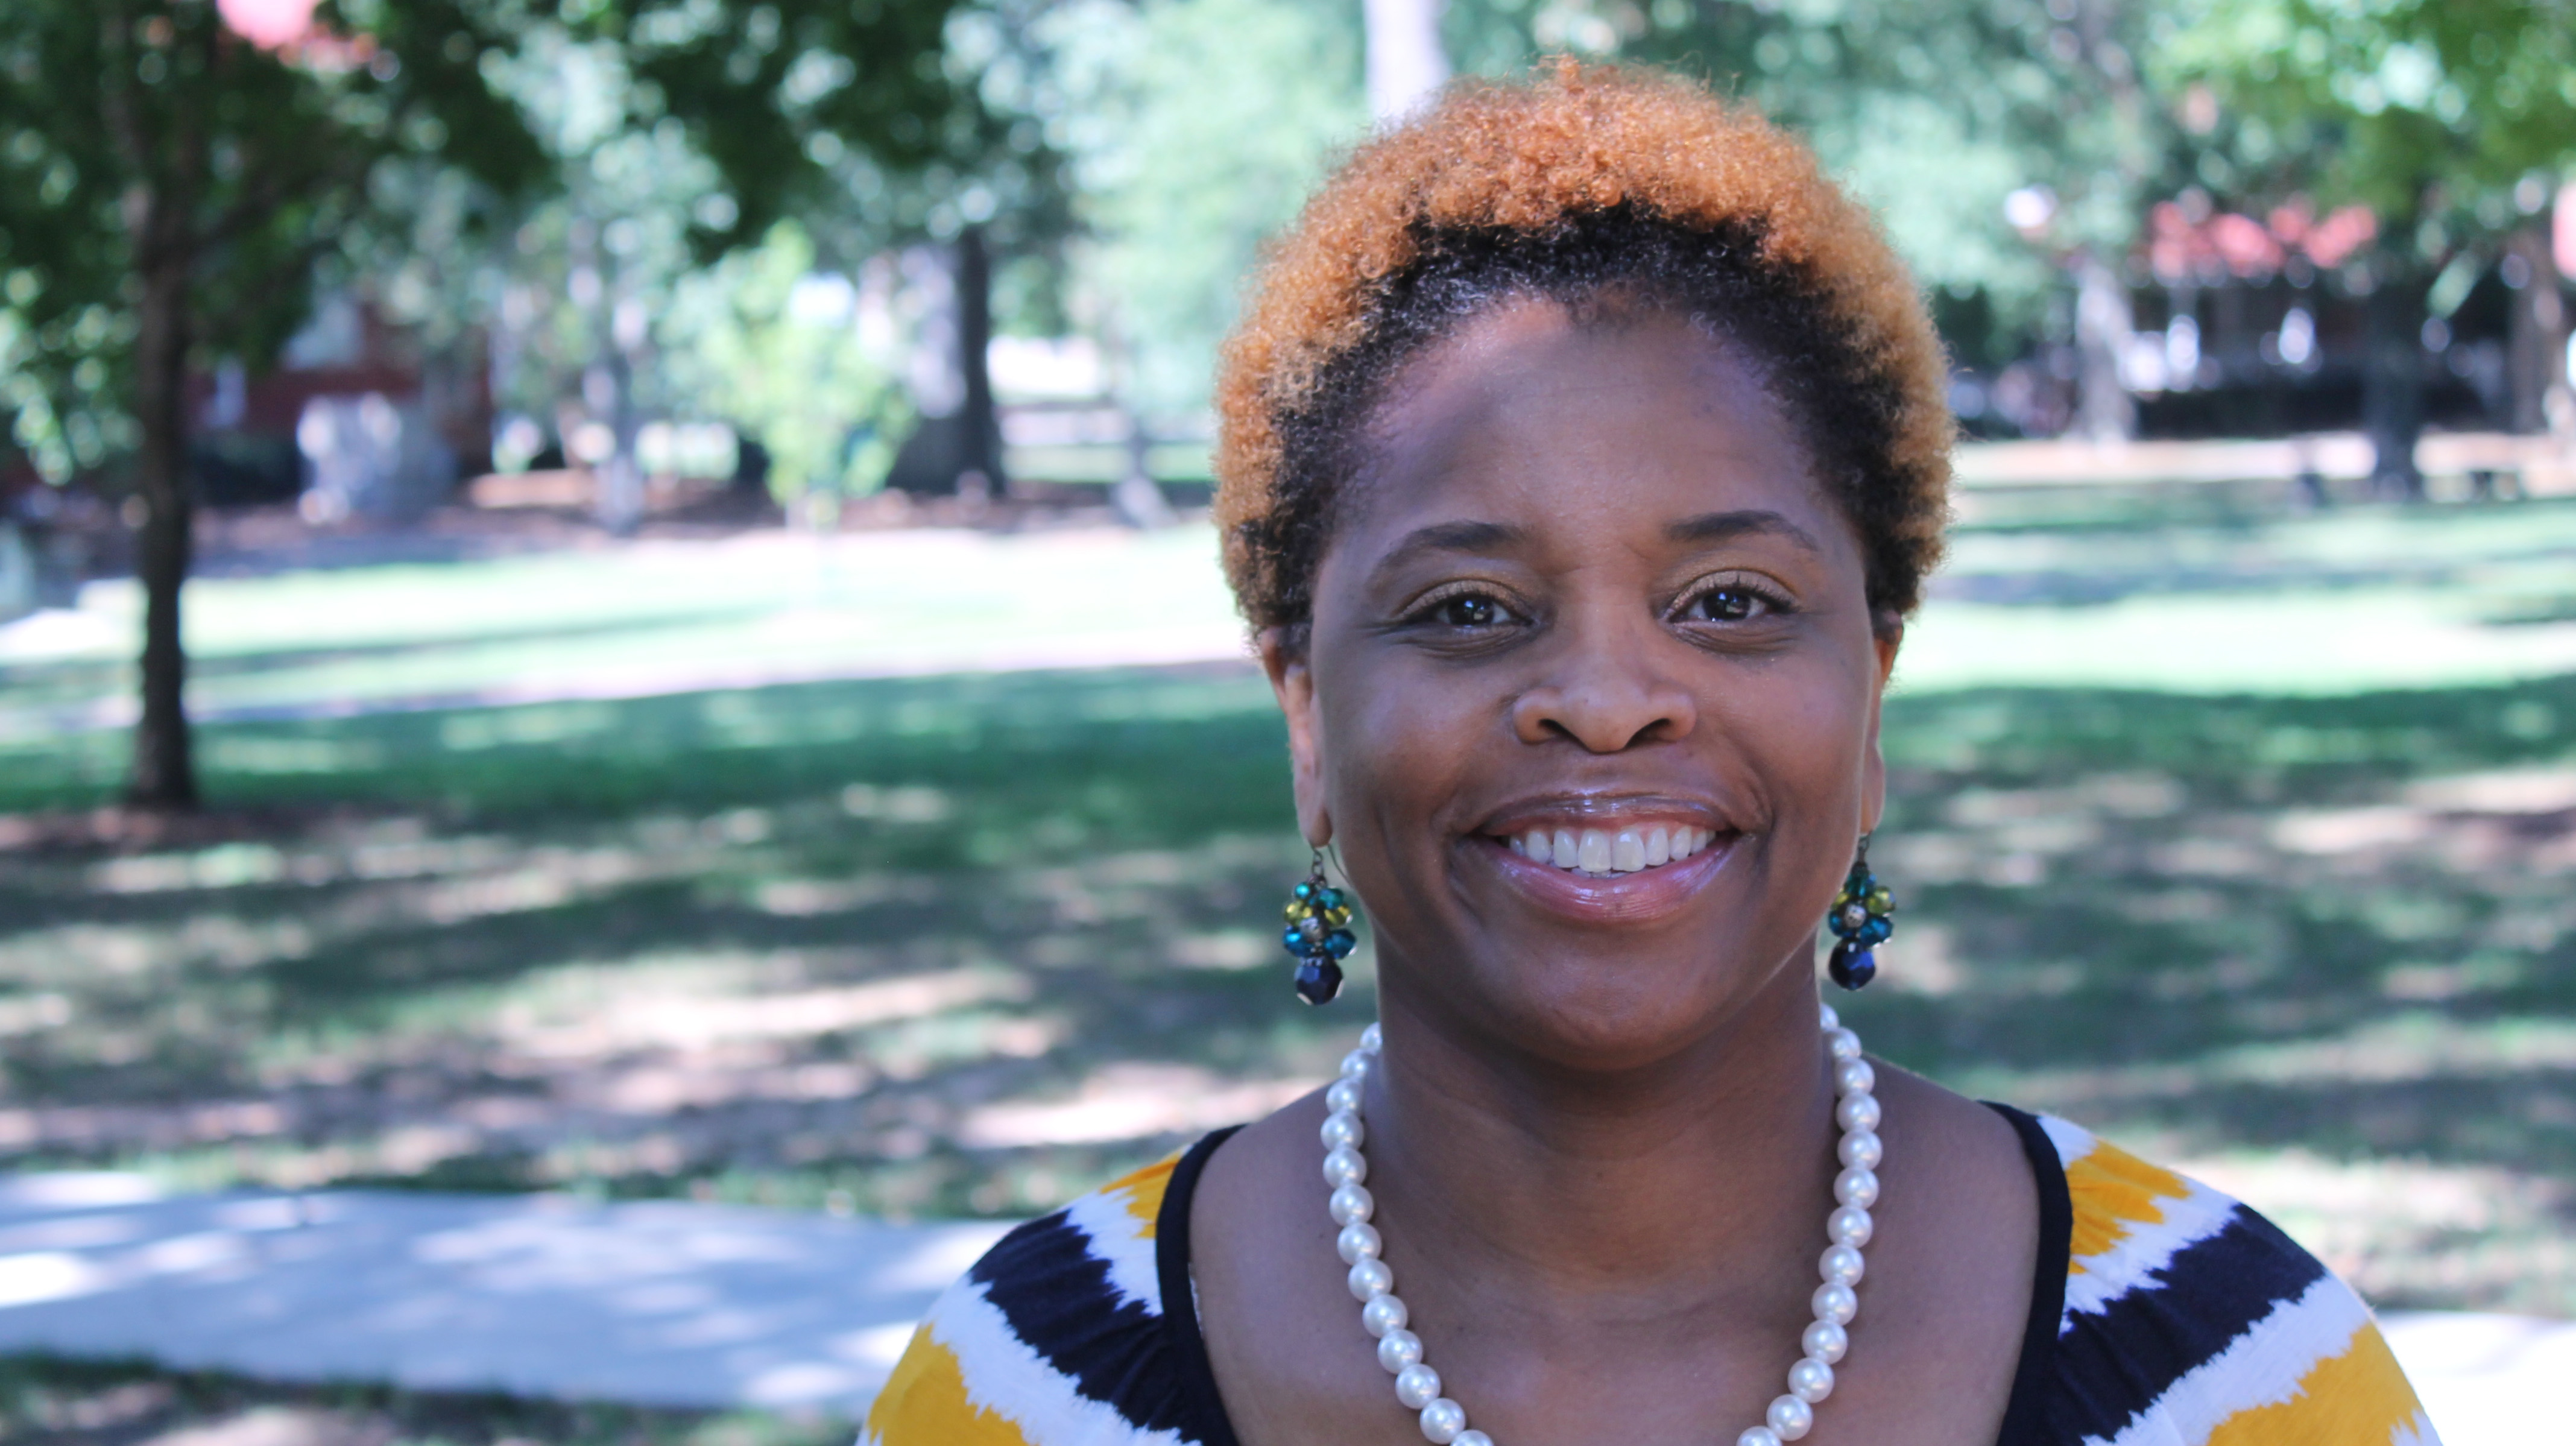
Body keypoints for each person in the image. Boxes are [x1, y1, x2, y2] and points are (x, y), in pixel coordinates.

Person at [862, 61, 2435, 1446]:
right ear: (1307, 719)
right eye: (1469, 608)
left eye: (1730, 601)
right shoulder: (1026, 1391)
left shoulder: (2235, 1373)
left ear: (1872, 695)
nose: (1608, 700)